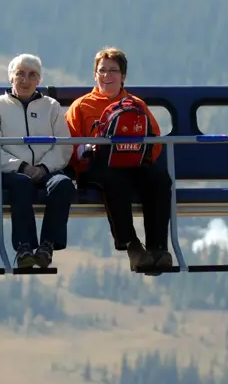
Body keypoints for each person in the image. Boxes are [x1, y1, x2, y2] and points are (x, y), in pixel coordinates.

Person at [65, 46, 174, 276]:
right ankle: (132, 245)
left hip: (133, 166)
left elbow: (154, 139)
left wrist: (144, 157)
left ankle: (157, 248)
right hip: (96, 170)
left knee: (159, 179)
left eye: (113, 71)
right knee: (114, 179)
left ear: (123, 76)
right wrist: (87, 151)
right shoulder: (82, 106)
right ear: (95, 75)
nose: (107, 76)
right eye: (102, 71)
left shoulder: (136, 106)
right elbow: (68, 145)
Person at [0, 53, 74, 269]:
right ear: (10, 77)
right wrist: (21, 166)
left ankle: (47, 246)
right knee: (21, 183)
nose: (25, 80)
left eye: (32, 75)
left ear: (39, 80)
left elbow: (63, 144)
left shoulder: (51, 106)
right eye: (20, 74)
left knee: (63, 184)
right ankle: (24, 248)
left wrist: (43, 167)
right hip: (12, 171)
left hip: (46, 169)